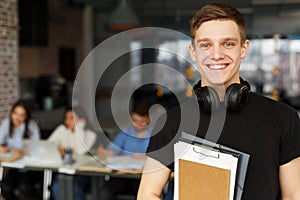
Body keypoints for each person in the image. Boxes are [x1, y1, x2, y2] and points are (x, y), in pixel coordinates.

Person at [137, 3, 300, 200]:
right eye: (205, 45)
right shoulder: (171, 122)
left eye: (228, 44)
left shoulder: (283, 118)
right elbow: (148, 194)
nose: (216, 55)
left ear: (244, 48)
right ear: (193, 52)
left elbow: (293, 196)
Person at [97, 102, 152, 200]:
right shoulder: (126, 133)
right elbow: (114, 149)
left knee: (144, 194)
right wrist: (105, 152)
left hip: (144, 178)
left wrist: (148, 158)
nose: (138, 125)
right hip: (124, 176)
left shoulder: (155, 135)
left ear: (148, 119)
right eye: (135, 121)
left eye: (141, 121)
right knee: (106, 192)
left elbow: (161, 156)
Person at [48, 107, 97, 200]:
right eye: (66, 118)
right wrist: (64, 150)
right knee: (56, 187)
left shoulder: (90, 134)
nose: (68, 121)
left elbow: (80, 151)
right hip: (64, 168)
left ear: (82, 119)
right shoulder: (62, 130)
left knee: (75, 188)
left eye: (72, 118)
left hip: (81, 171)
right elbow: (49, 146)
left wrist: (79, 127)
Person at [0, 99, 42, 200]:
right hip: (16, 165)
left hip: (31, 167)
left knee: (25, 186)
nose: (17, 118)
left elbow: (37, 146)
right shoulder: (7, 123)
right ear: (12, 113)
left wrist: (23, 150)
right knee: (5, 187)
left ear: (26, 117)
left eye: (21, 115)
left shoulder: (32, 125)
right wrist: (2, 148)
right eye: (15, 113)